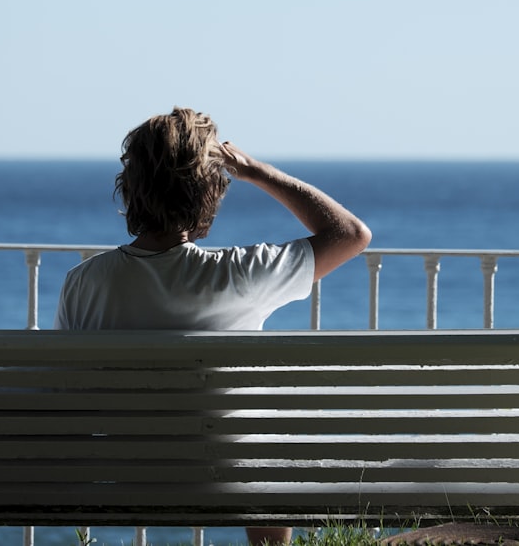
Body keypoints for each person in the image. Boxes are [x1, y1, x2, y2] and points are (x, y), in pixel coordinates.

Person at [54, 106, 372, 545]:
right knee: (264, 454)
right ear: (209, 192)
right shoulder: (239, 275)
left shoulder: (83, 282)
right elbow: (351, 234)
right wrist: (259, 173)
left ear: (130, 188)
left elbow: (63, 398)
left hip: (121, 477)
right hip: (225, 481)